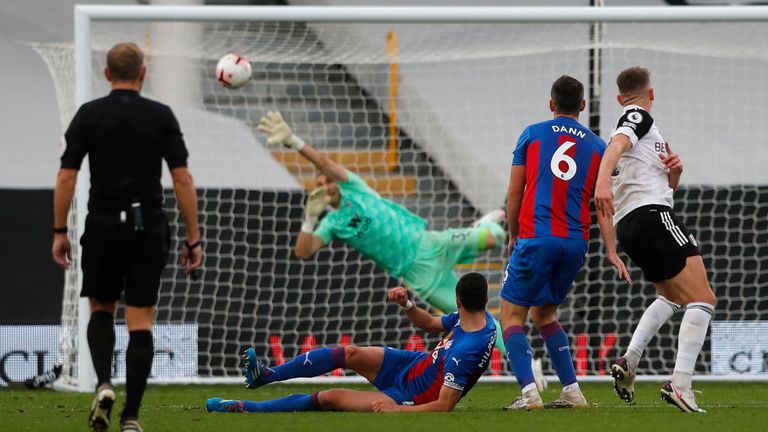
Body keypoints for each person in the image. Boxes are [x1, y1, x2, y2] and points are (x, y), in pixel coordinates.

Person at [256, 111, 509, 353]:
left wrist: (292, 140)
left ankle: (479, 227)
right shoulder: (332, 223)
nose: (327, 186)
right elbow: (303, 251)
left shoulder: (355, 188)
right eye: (320, 185)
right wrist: (310, 218)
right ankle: (524, 361)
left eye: (328, 181)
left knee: (495, 236)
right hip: (418, 274)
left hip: (429, 242)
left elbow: (322, 161)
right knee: (474, 316)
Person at [52, 42, 203, 432]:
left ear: (106, 74)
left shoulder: (89, 115)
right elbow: (182, 177)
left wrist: (59, 231)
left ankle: (103, 382)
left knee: (101, 309)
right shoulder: (160, 115)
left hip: (102, 225)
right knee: (141, 322)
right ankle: (131, 417)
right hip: (146, 225)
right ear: (143, 72)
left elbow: (67, 175)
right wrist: (193, 238)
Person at [500, 75, 627, 410]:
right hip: (574, 242)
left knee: (512, 316)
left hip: (537, 236)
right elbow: (603, 203)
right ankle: (571, 390)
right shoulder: (599, 147)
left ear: (551, 104)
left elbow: (515, 193)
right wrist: (611, 250)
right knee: (545, 314)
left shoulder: (532, 134)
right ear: (582, 106)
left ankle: (529, 394)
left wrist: (514, 234)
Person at [594, 66, 717, 413]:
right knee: (704, 298)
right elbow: (618, 144)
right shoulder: (636, 116)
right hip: (652, 217)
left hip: (630, 224)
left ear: (618, 96)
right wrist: (601, 181)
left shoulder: (647, 138)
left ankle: (630, 361)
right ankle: (681, 383)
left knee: (670, 296)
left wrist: (673, 174)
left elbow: (659, 184)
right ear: (652, 93)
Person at [206, 272, 496, 413]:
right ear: (484, 300)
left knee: (330, 397)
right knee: (350, 352)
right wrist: (406, 303)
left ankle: (245, 407)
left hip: (412, 396)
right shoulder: (477, 319)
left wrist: (399, 411)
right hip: (413, 365)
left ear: (458, 299)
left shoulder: (465, 353)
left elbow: (445, 405)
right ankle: (265, 375)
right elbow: (429, 324)